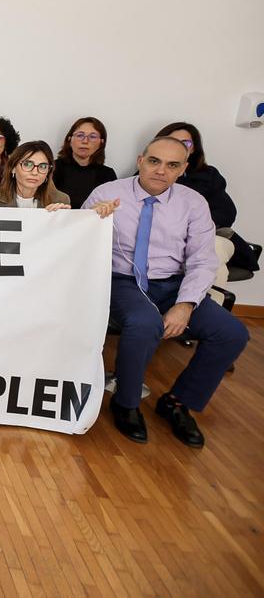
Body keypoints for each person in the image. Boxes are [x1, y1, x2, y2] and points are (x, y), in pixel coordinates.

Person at [86, 137, 249, 448]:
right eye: (154, 161)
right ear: (140, 160)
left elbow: (202, 259)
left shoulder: (193, 203)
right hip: (121, 281)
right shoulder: (107, 193)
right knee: (145, 323)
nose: (161, 170)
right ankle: (126, 401)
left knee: (232, 332)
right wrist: (93, 219)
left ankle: (177, 401)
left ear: (183, 169)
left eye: (172, 165)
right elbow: (79, 240)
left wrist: (186, 304)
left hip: (173, 283)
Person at [158, 121, 257, 273]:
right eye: (172, 141)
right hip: (165, 240)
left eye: (186, 143)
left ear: (193, 149)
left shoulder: (208, 175)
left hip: (207, 235)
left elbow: (226, 213)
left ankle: (202, 296)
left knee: (211, 258)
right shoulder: (149, 173)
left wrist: (191, 225)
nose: (178, 146)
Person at [0, 141, 71, 210]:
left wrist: (63, 219)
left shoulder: (60, 200)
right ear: (13, 168)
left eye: (42, 166)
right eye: (28, 164)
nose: (35, 172)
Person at [52, 117, 117, 207]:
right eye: (80, 135)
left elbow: (112, 208)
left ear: (101, 142)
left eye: (92, 136)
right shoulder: (53, 168)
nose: (85, 141)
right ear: (69, 139)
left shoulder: (107, 174)